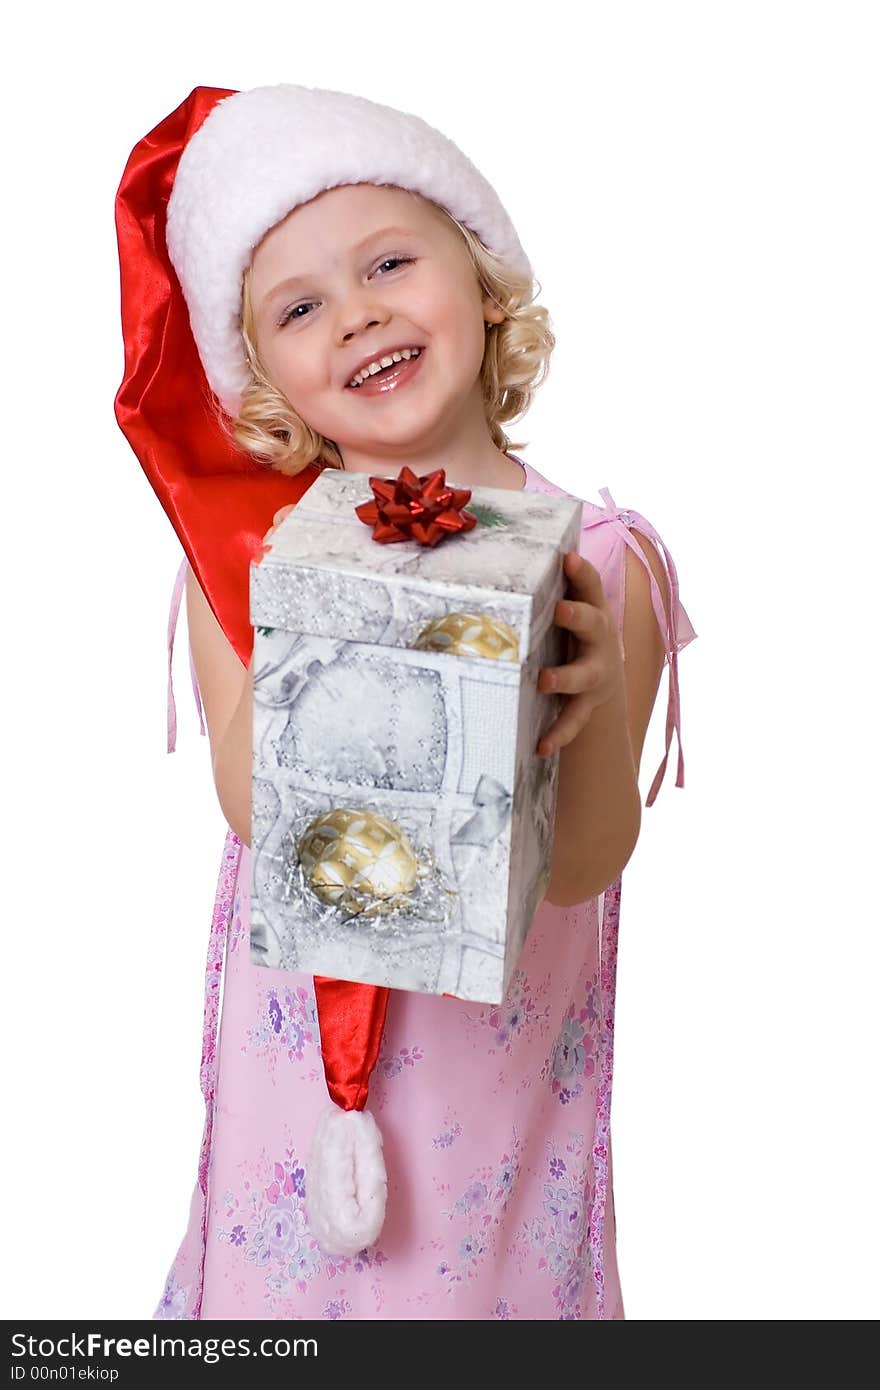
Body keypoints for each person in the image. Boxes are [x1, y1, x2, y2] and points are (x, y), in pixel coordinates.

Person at [115, 82, 697, 1321]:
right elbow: (252, 806)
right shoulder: (247, 561)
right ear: (262, 376)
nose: (360, 314)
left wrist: (575, 721)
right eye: (301, 306)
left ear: (483, 284)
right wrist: (306, 625)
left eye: (389, 261)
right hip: (296, 1094)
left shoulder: (601, 554)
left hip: (490, 1085)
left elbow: (587, 862)